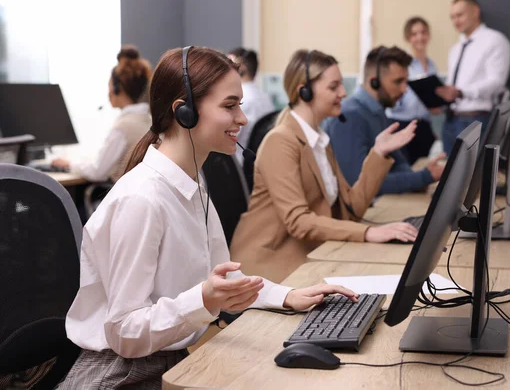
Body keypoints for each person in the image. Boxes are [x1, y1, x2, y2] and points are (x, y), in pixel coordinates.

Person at [57, 46, 358, 389]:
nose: (242, 119)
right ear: (184, 112)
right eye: (230, 106)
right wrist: (203, 299)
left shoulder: (193, 183)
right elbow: (125, 332)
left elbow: (222, 283)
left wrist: (287, 295)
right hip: (123, 374)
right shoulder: (142, 200)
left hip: (171, 358)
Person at [230, 49, 419, 283]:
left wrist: (378, 153)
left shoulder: (319, 141)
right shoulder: (281, 142)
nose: (343, 92)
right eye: (333, 87)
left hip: (313, 254)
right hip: (270, 266)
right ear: (304, 92)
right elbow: (299, 222)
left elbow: (352, 210)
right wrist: (369, 232)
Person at [325, 46, 445, 197]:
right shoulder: (349, 116)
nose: (404, 90)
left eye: (405, 82)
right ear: (374, 82)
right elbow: (358, 183)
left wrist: (418, 180)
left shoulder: (379, 112)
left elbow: (399, 163)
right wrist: (423, 177)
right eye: (398, 82)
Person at [52, 45, 152, 182]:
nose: (108, 92)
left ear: (117, 89)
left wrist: (68, 164)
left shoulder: (124, 127)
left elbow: (97, 172)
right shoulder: (147, 119)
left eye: (109, 86)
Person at [435, 0, 510, 153]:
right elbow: (453, 83)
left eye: (460, 15)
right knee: (448, 174)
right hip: (450, 120)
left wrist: (461, 92)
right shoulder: (456, 48)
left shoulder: (495, 40)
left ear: (475, 12)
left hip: (476, 120)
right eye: (452, 17)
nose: (456, 21)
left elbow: (497, 82)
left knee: (473, 175)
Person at [385, 17, 440, 163]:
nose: (420, 37)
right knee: (404, 167)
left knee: (421, 167)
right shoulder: (402, 65)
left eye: (423, 32)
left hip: (423, 126)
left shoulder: (432, 66)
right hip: (401, 124)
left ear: (428, 35)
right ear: (407, 38)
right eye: (414, 34)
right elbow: (391, 98)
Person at [227, 47, 275, 164]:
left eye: (229, 64)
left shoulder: (240, 100)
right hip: (259, 165)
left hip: (239, 167)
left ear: (241, 67)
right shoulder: (266, 98)